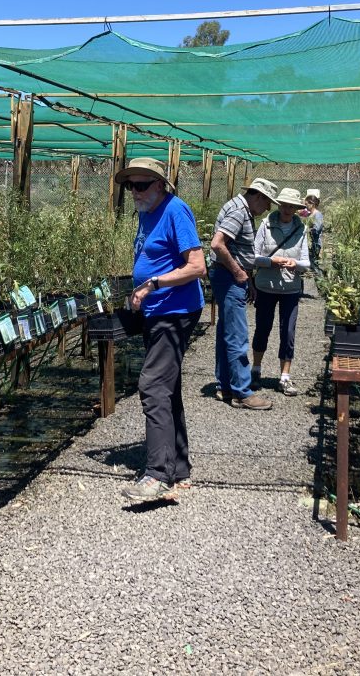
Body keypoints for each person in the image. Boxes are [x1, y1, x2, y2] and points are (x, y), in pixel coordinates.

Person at [115, 157, 207, 503]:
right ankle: (178, 470)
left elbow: (196, 266)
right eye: (130, 186)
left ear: (160, 185)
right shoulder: (146, 211)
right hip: (156, 309)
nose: (135, 192)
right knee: (167, 387)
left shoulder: (175, 210)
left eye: (141, 185)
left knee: (152, 385)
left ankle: (158, 476)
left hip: (175, 310)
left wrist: (153, 283)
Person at [209, 177, 278, 410]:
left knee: (226, 332)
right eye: (267, 202)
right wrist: (239, 273)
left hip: (227, 276)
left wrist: (246, 278)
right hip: (228, 278)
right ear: (258, 196)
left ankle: (226, 385)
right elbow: (217, 244)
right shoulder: (239, 211)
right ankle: (242, 392)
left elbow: (233, 248)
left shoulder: (239, 209)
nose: (267, 208)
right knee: (237, 335)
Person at [250, 188, 311, 396]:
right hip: (266, 286)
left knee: (288, 332)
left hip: (290, 288)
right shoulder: (266, 225)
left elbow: (306, 263)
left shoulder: (301, 230)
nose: (287, 209)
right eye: (284, 205)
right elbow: (253, 257)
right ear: (278, 205)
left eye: (291, 206)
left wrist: (296, 264)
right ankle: (256, 371)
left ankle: (284, 377)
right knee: (262, 328)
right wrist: (271, 262)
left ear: (296, 209)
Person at [304, 189, 324, 272]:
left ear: (312, 204)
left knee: (314, 263)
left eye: (307, 204)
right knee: (310, 263)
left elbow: (317, 228)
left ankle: (319, 278)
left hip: (315, 243)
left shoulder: (317, 214)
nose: (305, 206)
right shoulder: (309, 214)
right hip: (309, 243)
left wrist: (306, 230)